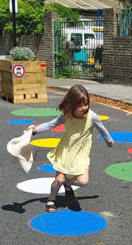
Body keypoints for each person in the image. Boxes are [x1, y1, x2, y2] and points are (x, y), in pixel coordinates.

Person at [31, 84, 114, 212]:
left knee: (83, 181)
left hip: (81, 153)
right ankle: (51, 199)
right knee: (59, 179)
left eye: (86, 104)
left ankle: (68, 184)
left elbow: (102, 129)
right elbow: (51, 124)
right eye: (80, 105)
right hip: (66, 150)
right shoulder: (67, 115)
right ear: (72, 104)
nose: (83, 108)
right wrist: (36, 130)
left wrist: (109, 140)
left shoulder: (92, 116)